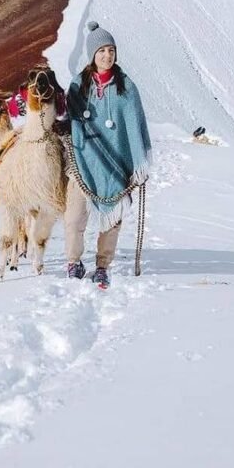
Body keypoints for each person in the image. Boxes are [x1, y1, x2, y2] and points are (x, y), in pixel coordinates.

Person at [65, 20, 151, 289]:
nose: (107, 56)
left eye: (111, 50)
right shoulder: (78, 88)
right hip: (81, 163)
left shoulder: (127, 89)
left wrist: (138, 163)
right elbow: (68, 122)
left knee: (112, 219)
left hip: (115, 166)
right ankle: (73, 262)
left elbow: (136, 128)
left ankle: (102, 266)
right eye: (101, 51)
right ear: (92, 55)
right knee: (74, 217)